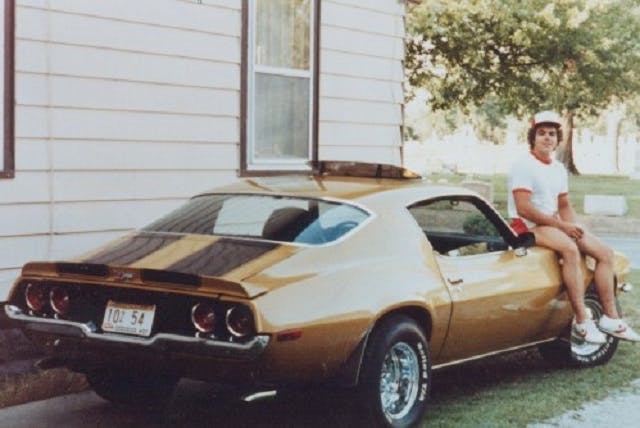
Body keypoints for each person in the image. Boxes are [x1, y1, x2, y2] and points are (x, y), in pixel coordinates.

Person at [508, 110, 640, 344]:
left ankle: (611, 318)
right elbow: (523, 208)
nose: (547, 138)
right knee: (570, 249)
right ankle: (582, 320)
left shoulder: (558, 168)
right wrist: (563, 227)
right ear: (533, 137)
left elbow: (564, 205)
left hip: (552, 223)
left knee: (605, 253)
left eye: (552, 134)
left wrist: (577, 228)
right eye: (541, 133)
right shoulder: (523, 164)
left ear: (558, 139)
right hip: (526, 225)